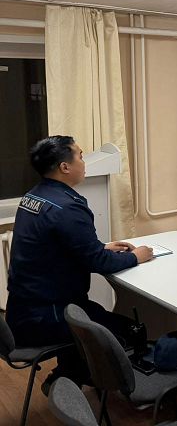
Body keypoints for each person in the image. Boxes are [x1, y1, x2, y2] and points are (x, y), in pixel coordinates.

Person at [6, 135, 154, 389]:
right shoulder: (67, 207)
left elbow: (54, 246)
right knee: (129, 329)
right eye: (80, 156)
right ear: (65, 167)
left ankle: (67, 375)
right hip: (49, 316)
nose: (84, 162)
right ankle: (105, 385)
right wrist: (135, 256)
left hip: (23, 311)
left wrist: (101, 247)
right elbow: (98, 263)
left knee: (90, 314)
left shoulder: (33, 196)